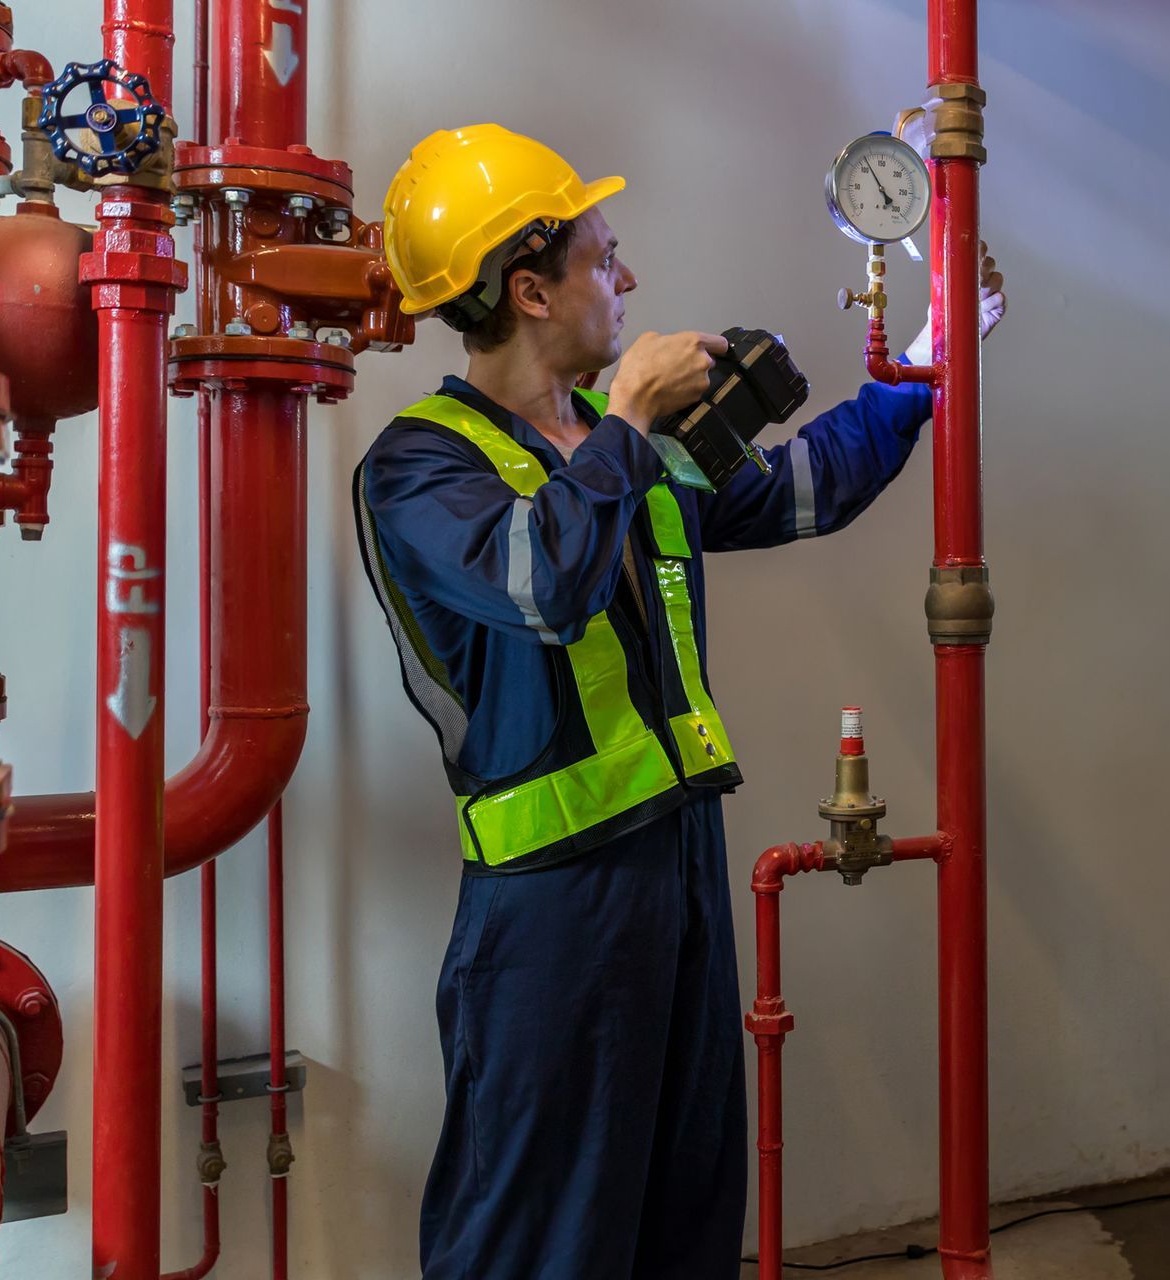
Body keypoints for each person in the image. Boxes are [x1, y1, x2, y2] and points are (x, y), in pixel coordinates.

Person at [353, 123, 1006, 1279]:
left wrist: (932, 351)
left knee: (683, 1204)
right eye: (606, 258)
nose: (631, 280)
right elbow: (542, 583)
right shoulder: (419, 467)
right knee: (539, 1231)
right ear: (531, 288)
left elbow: (804, 489)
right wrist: (630, 422)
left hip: (680, 866)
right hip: (552, 908)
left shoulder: (621, 447)